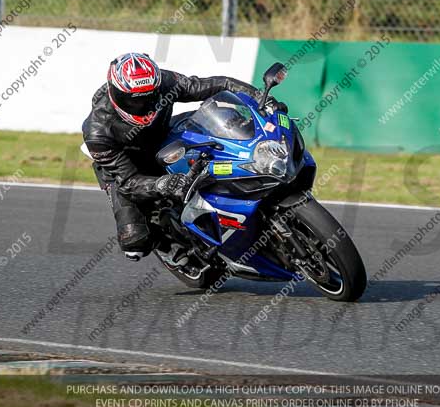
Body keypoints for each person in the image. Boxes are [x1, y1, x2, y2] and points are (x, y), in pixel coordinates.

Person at [82, 52, 287, 262]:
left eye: (148, 96)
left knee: (222, 121)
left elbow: (219, 84)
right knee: (135, 242)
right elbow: (127, 182)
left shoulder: (164, 82)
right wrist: (161, 184)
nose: (143, 104)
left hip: (162, 135)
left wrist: (262, 98)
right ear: (116, 92)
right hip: (128, 164)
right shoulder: (98, 132)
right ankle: (173, 248)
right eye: (133, 100)